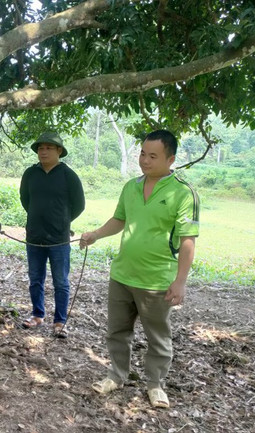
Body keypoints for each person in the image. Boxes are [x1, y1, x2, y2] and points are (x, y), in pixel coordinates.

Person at [79, 129, 199, 409]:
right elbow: (120, 219)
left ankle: (156, 384)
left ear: (171, 159)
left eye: (153, 156)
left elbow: (188, 240)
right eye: (143, 153)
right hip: (122, 274)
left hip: (156, 280)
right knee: (117, 331)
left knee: (158, 336)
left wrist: (180, 281)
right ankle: (116, 375)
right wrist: (95, 234)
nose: (145, 160)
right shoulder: (131, 187)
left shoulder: (183, 193)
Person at [19, 131, 85, 338]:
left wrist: (63, 222)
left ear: (59, 151)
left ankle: (59, 321)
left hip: (59, 239)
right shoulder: (30, 174)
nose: (43, 151)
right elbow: (25, 200)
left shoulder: (68, 175)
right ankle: (37, 315)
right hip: (34, 237)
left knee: (61, 282)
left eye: (48, 148)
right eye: (40, 148)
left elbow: (79, 205)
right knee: (35, 279)